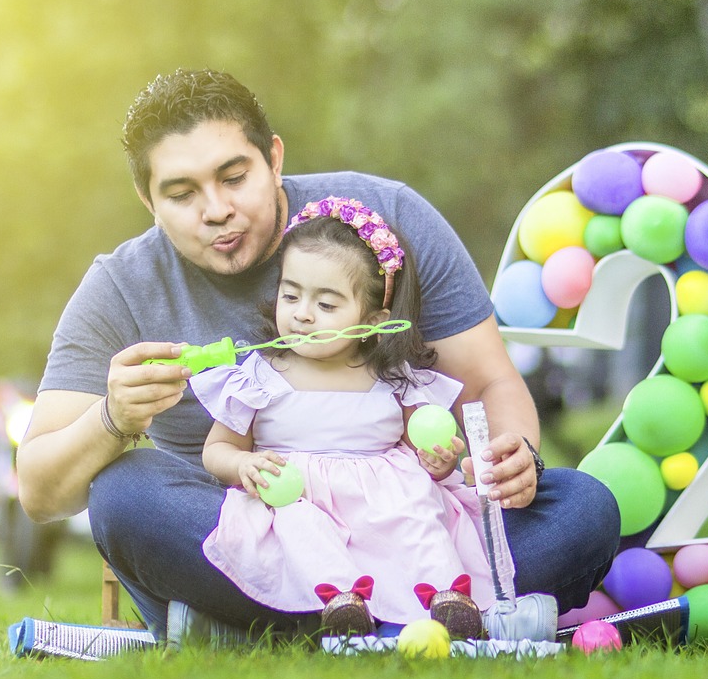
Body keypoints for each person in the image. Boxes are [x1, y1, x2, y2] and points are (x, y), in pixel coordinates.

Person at [16, 67, 620, 641]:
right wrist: (114, 420)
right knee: (126, 494)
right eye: (181, 194)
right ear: (149, 203)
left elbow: (490, 385)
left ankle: (255, 634)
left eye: (234, 177)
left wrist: (512, 461)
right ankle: (427, 623)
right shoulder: (121, 287)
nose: (216, 210)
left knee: (583, 508)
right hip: (260, 532)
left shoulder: (390, 219)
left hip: (409, 522)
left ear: (274, 159)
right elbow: (42, 494)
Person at [190, 197, 494, 634]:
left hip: (384, 503)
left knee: (419, 513)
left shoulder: (391, 378)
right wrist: (243, 464)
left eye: (327, 306)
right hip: (294, 494)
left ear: (373, 319)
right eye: (290, 295)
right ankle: (342, 601)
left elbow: (420, 447)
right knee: (299, 524)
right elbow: (217, 448)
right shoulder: (261, 374)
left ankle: (448, 596)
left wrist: (439, 460)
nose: (302, 314)